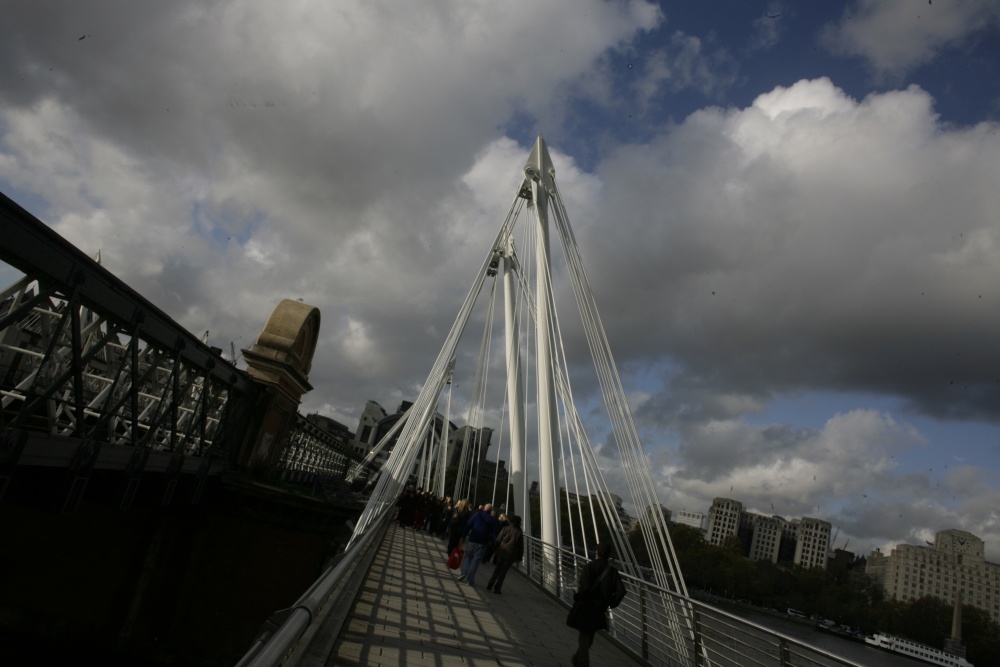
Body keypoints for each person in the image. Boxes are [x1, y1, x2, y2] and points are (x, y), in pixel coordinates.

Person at [566, 543, 626, 667]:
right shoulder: (613, 571)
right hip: (599, 609)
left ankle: (582, 663)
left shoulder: (589, 567)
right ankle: (577, 659)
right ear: (609, 556)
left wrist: (577, 597)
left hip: (586, 607)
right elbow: (621, 591)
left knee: (584, 638)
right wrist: (611, 603)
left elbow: (585, 588)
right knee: (589, 636)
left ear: (596, 553)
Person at [458, 502, 499, 586]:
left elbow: (468, 525)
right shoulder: (493, 519)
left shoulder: (477, 515)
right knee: (476, 561)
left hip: (473, 539)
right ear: (491, 510)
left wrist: (463, 535)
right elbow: (495, 533)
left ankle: (464, 573)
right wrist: (493, 541)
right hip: (483, 543)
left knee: (468, 557)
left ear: (484, 508)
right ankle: (470, 580)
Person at [486, 515, 523, 594]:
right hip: (511, 554)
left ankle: (490, 584)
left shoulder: (505, 528)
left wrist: (495, 548)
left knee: (497, 569)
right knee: (503, 571)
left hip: (501, 551)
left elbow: (498, 539)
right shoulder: (519, 532)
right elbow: (520, 546)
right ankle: (497, 588)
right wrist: (520, 556)